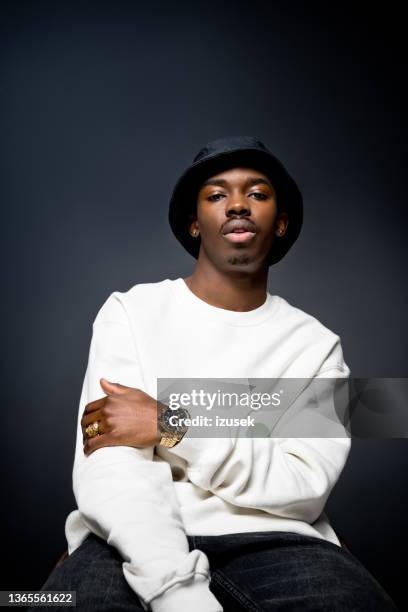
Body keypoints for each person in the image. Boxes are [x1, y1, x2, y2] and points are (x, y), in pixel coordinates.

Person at [32, 136, 398, 611]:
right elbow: (113, 468)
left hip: (277, 540)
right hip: (130, 534)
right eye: (217, 194)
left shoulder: (315, 346)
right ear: (194, 222)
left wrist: (170, 425)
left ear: (281, 223)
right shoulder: (131, 312)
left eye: (258, 194)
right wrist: (176, 590)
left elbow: (302, 487)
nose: (239, 205)